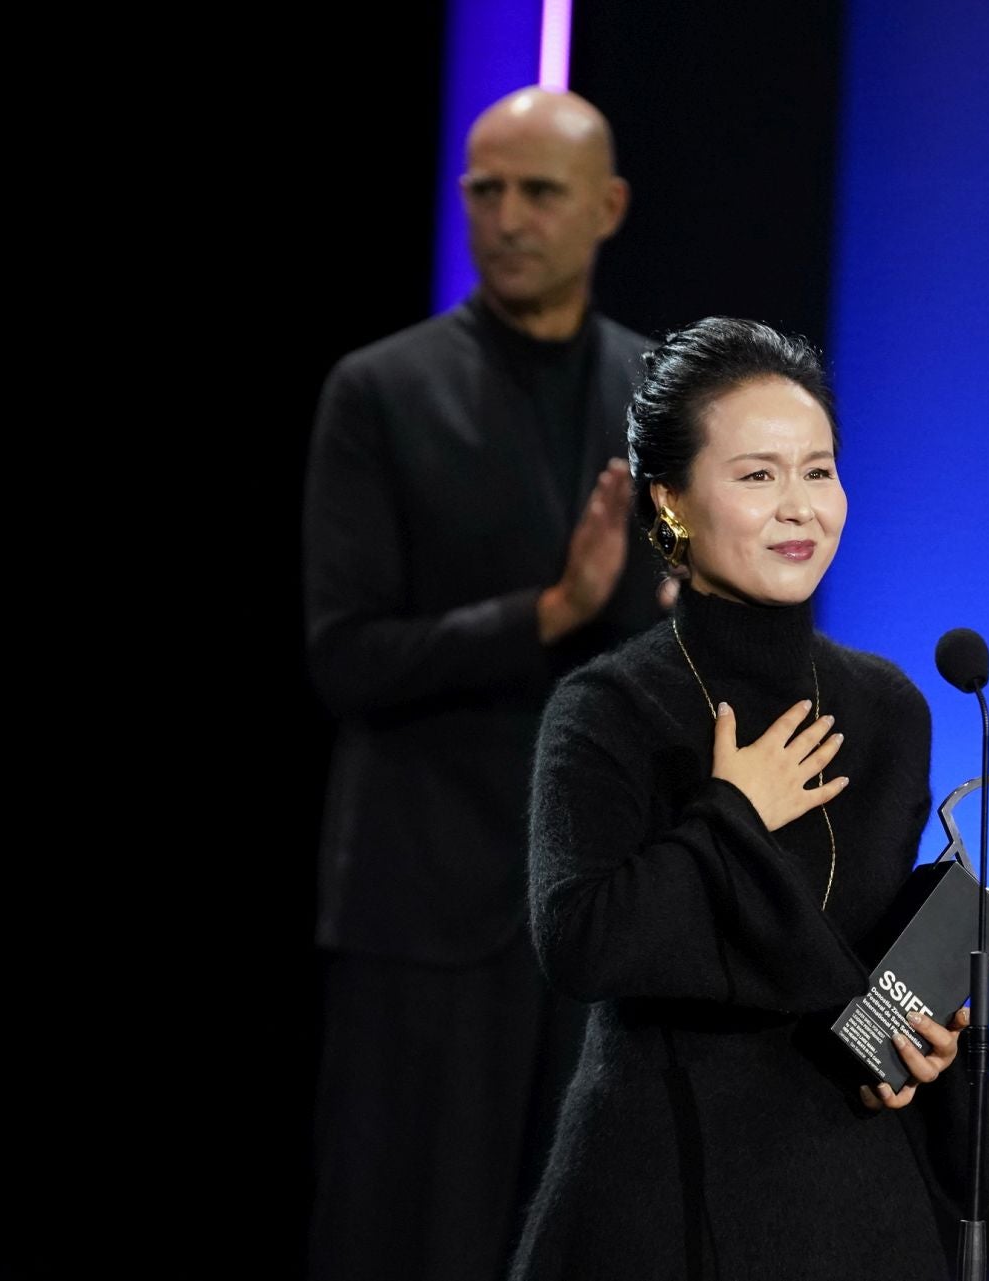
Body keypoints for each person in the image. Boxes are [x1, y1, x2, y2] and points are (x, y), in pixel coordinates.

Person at [513, 318, 972, 1281]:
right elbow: (579, 941)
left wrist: (921, 1034)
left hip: (853, 1194)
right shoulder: (609, 707)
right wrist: (731, 817)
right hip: (659, 1187)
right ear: (671, 501)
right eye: (758, 476)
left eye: (819, 470)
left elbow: (865, 949)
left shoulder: (889, 707)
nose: (800, 507)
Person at [302, 87, 666, 1281]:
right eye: (483, 190)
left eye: (538, 191)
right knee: (407, 1243)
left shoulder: (662, 398)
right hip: (423, 907)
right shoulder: (381, 390)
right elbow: (346, 657)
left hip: (597, 909)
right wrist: (550, 613)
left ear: (607, 207)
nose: (505, 217)